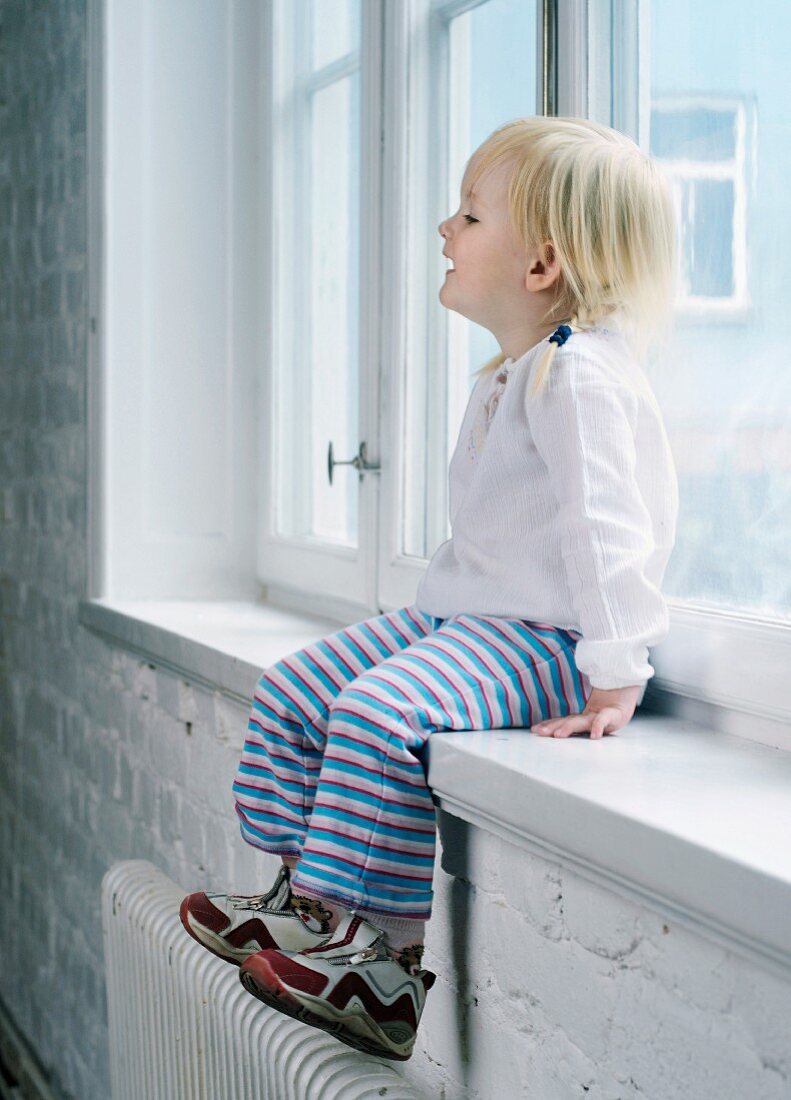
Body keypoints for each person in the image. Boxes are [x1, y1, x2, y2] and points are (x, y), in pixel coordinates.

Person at [179, 115, 679, 1062]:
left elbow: (608, 530)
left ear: (539, 266)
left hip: (537, 641)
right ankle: (310, 907)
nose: (444, 231)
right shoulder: (514, 374)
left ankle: (384, 969)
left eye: (467, 215)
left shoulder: (580, 378)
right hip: (460, 620)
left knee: (375, 715)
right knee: (293, 690)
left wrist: (613, 671)